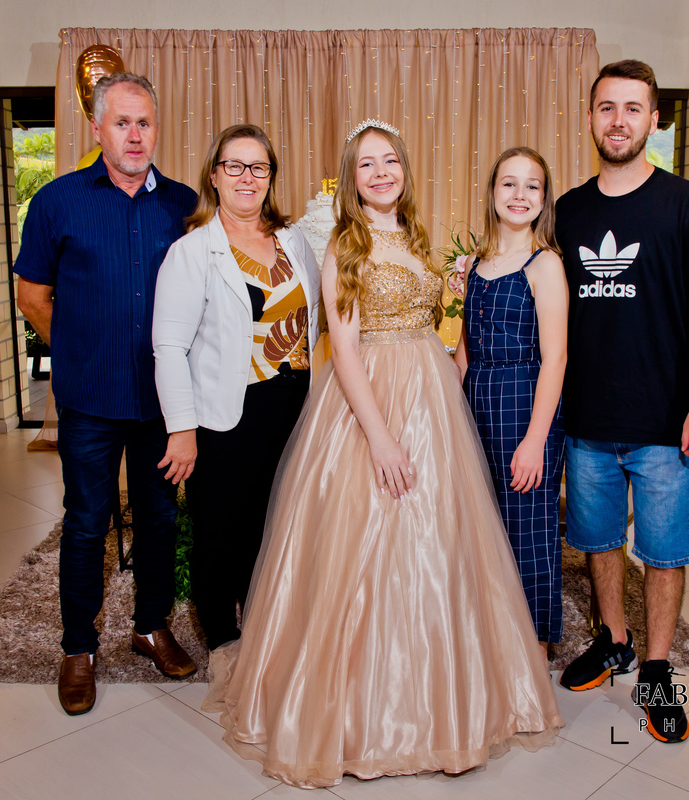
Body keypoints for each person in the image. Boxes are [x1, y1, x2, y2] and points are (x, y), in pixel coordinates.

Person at [203, 120, 563, 788]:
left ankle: (444, 699)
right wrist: (381, 436)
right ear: (351, 177)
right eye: (366, 164)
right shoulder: (344, 244)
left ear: (404, 170)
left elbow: (443, 324)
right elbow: (342, 347)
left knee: (441, 548)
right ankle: (360, 712)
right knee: (363, 545)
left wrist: (452, 371)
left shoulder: (421, 237)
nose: (380, 173)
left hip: (433, 396)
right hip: (367, 402)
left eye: (390, 160)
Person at [554, 60, 689, 744]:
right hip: (587, 418)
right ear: (590, 117)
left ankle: (657, 670)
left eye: (633, 109)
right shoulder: (568, 211)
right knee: (599, 542)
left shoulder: (684, 203)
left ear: (654, 120)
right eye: (607, 107)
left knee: (664, 551)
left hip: (665, 418)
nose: (618, 121)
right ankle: (614, 640)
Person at [14, 72, 199, 716]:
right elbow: (31, 296)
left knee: (159, 518)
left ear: (157, 128)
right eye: (122, 123)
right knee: (87, 523)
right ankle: (78, 648)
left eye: (144, 122)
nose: (135, 135)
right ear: (97, 128)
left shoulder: (184, 205)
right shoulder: (57, 201)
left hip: (162, 403)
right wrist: (78, 347)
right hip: (89, 399)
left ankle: (150, 627)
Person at [152, 123, 321, 650]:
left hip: (293, 408)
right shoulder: (192, 251)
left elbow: (317, 321)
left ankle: (266, 628)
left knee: (273, 527)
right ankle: (225, 643)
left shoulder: (295, 241)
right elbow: (169, 348)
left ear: (271, 177)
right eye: (235, 166)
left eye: (259, 167)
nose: (247, 177)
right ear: (214, 175)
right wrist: (181, 429)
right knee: (221, 533)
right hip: (227, 415)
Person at [453, 147, 569, 653]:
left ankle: (534, 650)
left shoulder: (546, 265)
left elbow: (556, 357)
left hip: (524, 402)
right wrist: (449, 409)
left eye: (532, 185)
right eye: (509, 183)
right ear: (493, 192)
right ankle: (490, 641)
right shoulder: (476, 264)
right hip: (476, 398)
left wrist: (535, 441)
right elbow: (464, 347)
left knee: (527, 529)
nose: (520, 194)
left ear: (544, 199)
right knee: (481, 525)